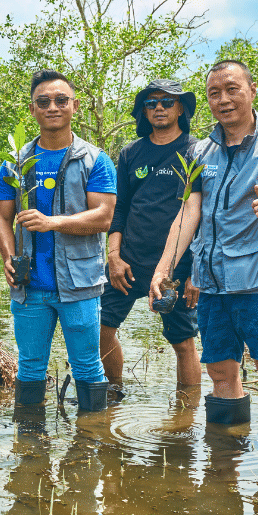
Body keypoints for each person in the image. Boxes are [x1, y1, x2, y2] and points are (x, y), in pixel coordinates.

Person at [149, 59, 258, 442]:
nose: (223, 99)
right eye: (214, 93)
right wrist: (163, 270)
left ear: (252, 91)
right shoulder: (199, 152)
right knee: (221, 372)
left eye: (232, 89)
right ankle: (226, 460)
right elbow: (187, 214)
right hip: (211, 285)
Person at [0, 69, 117, 411]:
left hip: (79, 284)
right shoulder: (15, 163)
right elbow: (2, 218)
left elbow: (103, 217)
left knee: (88, 367)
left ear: (74, 106)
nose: (53, 107)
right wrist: (8, 257)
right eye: (43, 101)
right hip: (29, 284)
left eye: (61, 100)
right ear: (32, 110)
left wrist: (53, 222)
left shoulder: (95, 160)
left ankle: (92, 438)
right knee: (30, 365)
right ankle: (30, 446)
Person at [100, 80, 202, 390]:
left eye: (167, 102)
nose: (158, 107)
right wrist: (114, 256)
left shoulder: (197, 151)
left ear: (180, 108)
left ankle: (185, 420)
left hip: (177, 266)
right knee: (101, 328)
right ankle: (114, 392)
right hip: (129, 263)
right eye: (151, 103)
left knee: (182, 342)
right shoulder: (131, 153)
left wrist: (195, 272)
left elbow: (203, 216)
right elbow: (120, 209)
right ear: (143, 111)